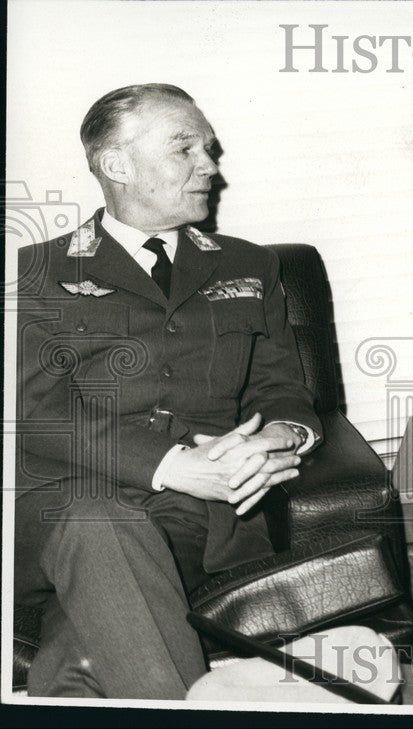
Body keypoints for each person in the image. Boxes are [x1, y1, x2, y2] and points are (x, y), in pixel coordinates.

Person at [15, 83, 322, 699]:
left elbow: (282, 387)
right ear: (116, 165)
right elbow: (34, 412)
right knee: (97, 520)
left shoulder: (249, 266)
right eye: (185, 149)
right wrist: (170, 465)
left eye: (207, 148)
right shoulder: (37, 272)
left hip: (199, 518)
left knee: (79, 657)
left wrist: (280, 438)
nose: (210, 165)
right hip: (61, 508)